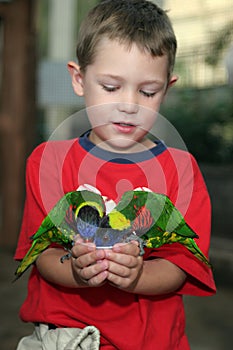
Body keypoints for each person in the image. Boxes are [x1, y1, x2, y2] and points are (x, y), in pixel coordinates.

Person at [15, 0, 216, 349]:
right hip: (65, 336)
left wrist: (137, 274)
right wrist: (77, 271)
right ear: (79, 79)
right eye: (111, 87)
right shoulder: (47, 161)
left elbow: (180, 265)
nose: (129, 104)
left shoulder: (181, 170)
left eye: (148, 92)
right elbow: (42, 253)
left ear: (167, 89)